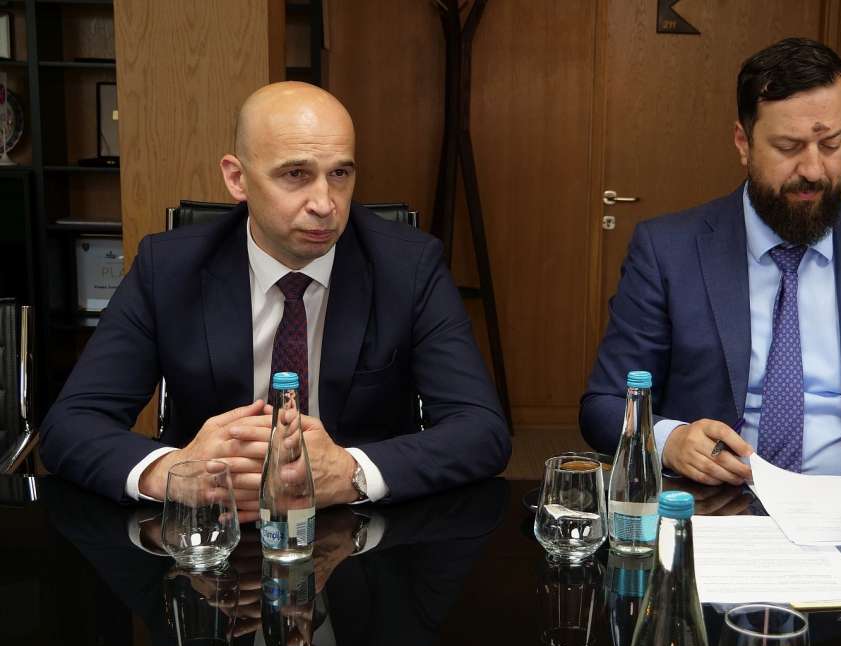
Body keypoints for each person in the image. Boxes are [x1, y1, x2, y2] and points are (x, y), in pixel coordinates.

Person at [41, 82, 510, 518]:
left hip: (359, 528)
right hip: (214, 529)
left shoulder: (408, 268)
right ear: (237, 178)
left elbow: (481, 429)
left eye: (340, 174)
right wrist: (172, 474)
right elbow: (70, 425)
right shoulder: (167, 269)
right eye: (296, 174)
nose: (324, 203)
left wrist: (351, 472)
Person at [580, 37, 841, 485]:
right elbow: (605, 405)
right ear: (743, 142)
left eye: (832, 144)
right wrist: (671, 440)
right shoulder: (668, 250)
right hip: (716, 501)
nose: (813, 170)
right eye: (788, 146)